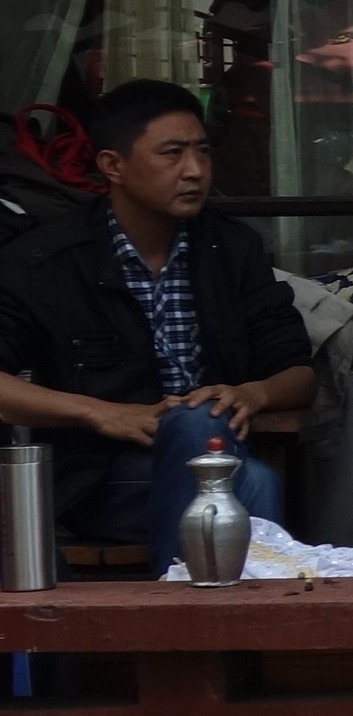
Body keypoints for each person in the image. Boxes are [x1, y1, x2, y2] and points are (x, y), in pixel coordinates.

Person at [0, 78, 312, 567]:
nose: (195, 171)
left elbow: (300, 376)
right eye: (172, 154)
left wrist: (253, 394)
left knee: (213, 438)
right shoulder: (49, 261)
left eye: (202, 152)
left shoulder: (231, 249)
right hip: (103, 480)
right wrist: (99, 413)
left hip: (221, 456)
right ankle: (223, 611)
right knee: (246, 479)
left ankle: (187, 605)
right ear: (113, 166)